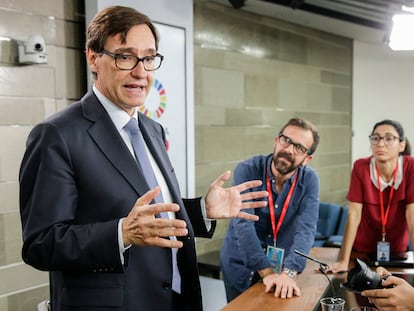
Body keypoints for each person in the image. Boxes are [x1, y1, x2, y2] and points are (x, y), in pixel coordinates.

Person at [18, 6, 268, 311]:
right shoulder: (57, 134)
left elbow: (155, 219)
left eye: (149, 58)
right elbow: (40, 244)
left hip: (175, 299)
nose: (141, 72)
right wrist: (120, 233)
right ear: (93, 58)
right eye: (125, 56)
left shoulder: (152, 129)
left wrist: (201, 210)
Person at [220, 117, 320, 301]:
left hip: (282, 269)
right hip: (241, 265)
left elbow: (306, 229)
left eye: (299, 147)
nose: (288, 150)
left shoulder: (310, 180)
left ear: (307, 159)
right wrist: (267, 273)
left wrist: (288, 273)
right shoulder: (247, 170)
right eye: (286, 140)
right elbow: (243, 224)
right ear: (276, 141)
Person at [328, 119, 414, 273]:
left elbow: (412, 217)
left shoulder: (410, 167)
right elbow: (353, 214)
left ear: (402, 144)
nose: (380, 144)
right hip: (361, 250)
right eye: (375, 138)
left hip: (397, 252)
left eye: (389, 138)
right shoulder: (361, 167)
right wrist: (343, 260)